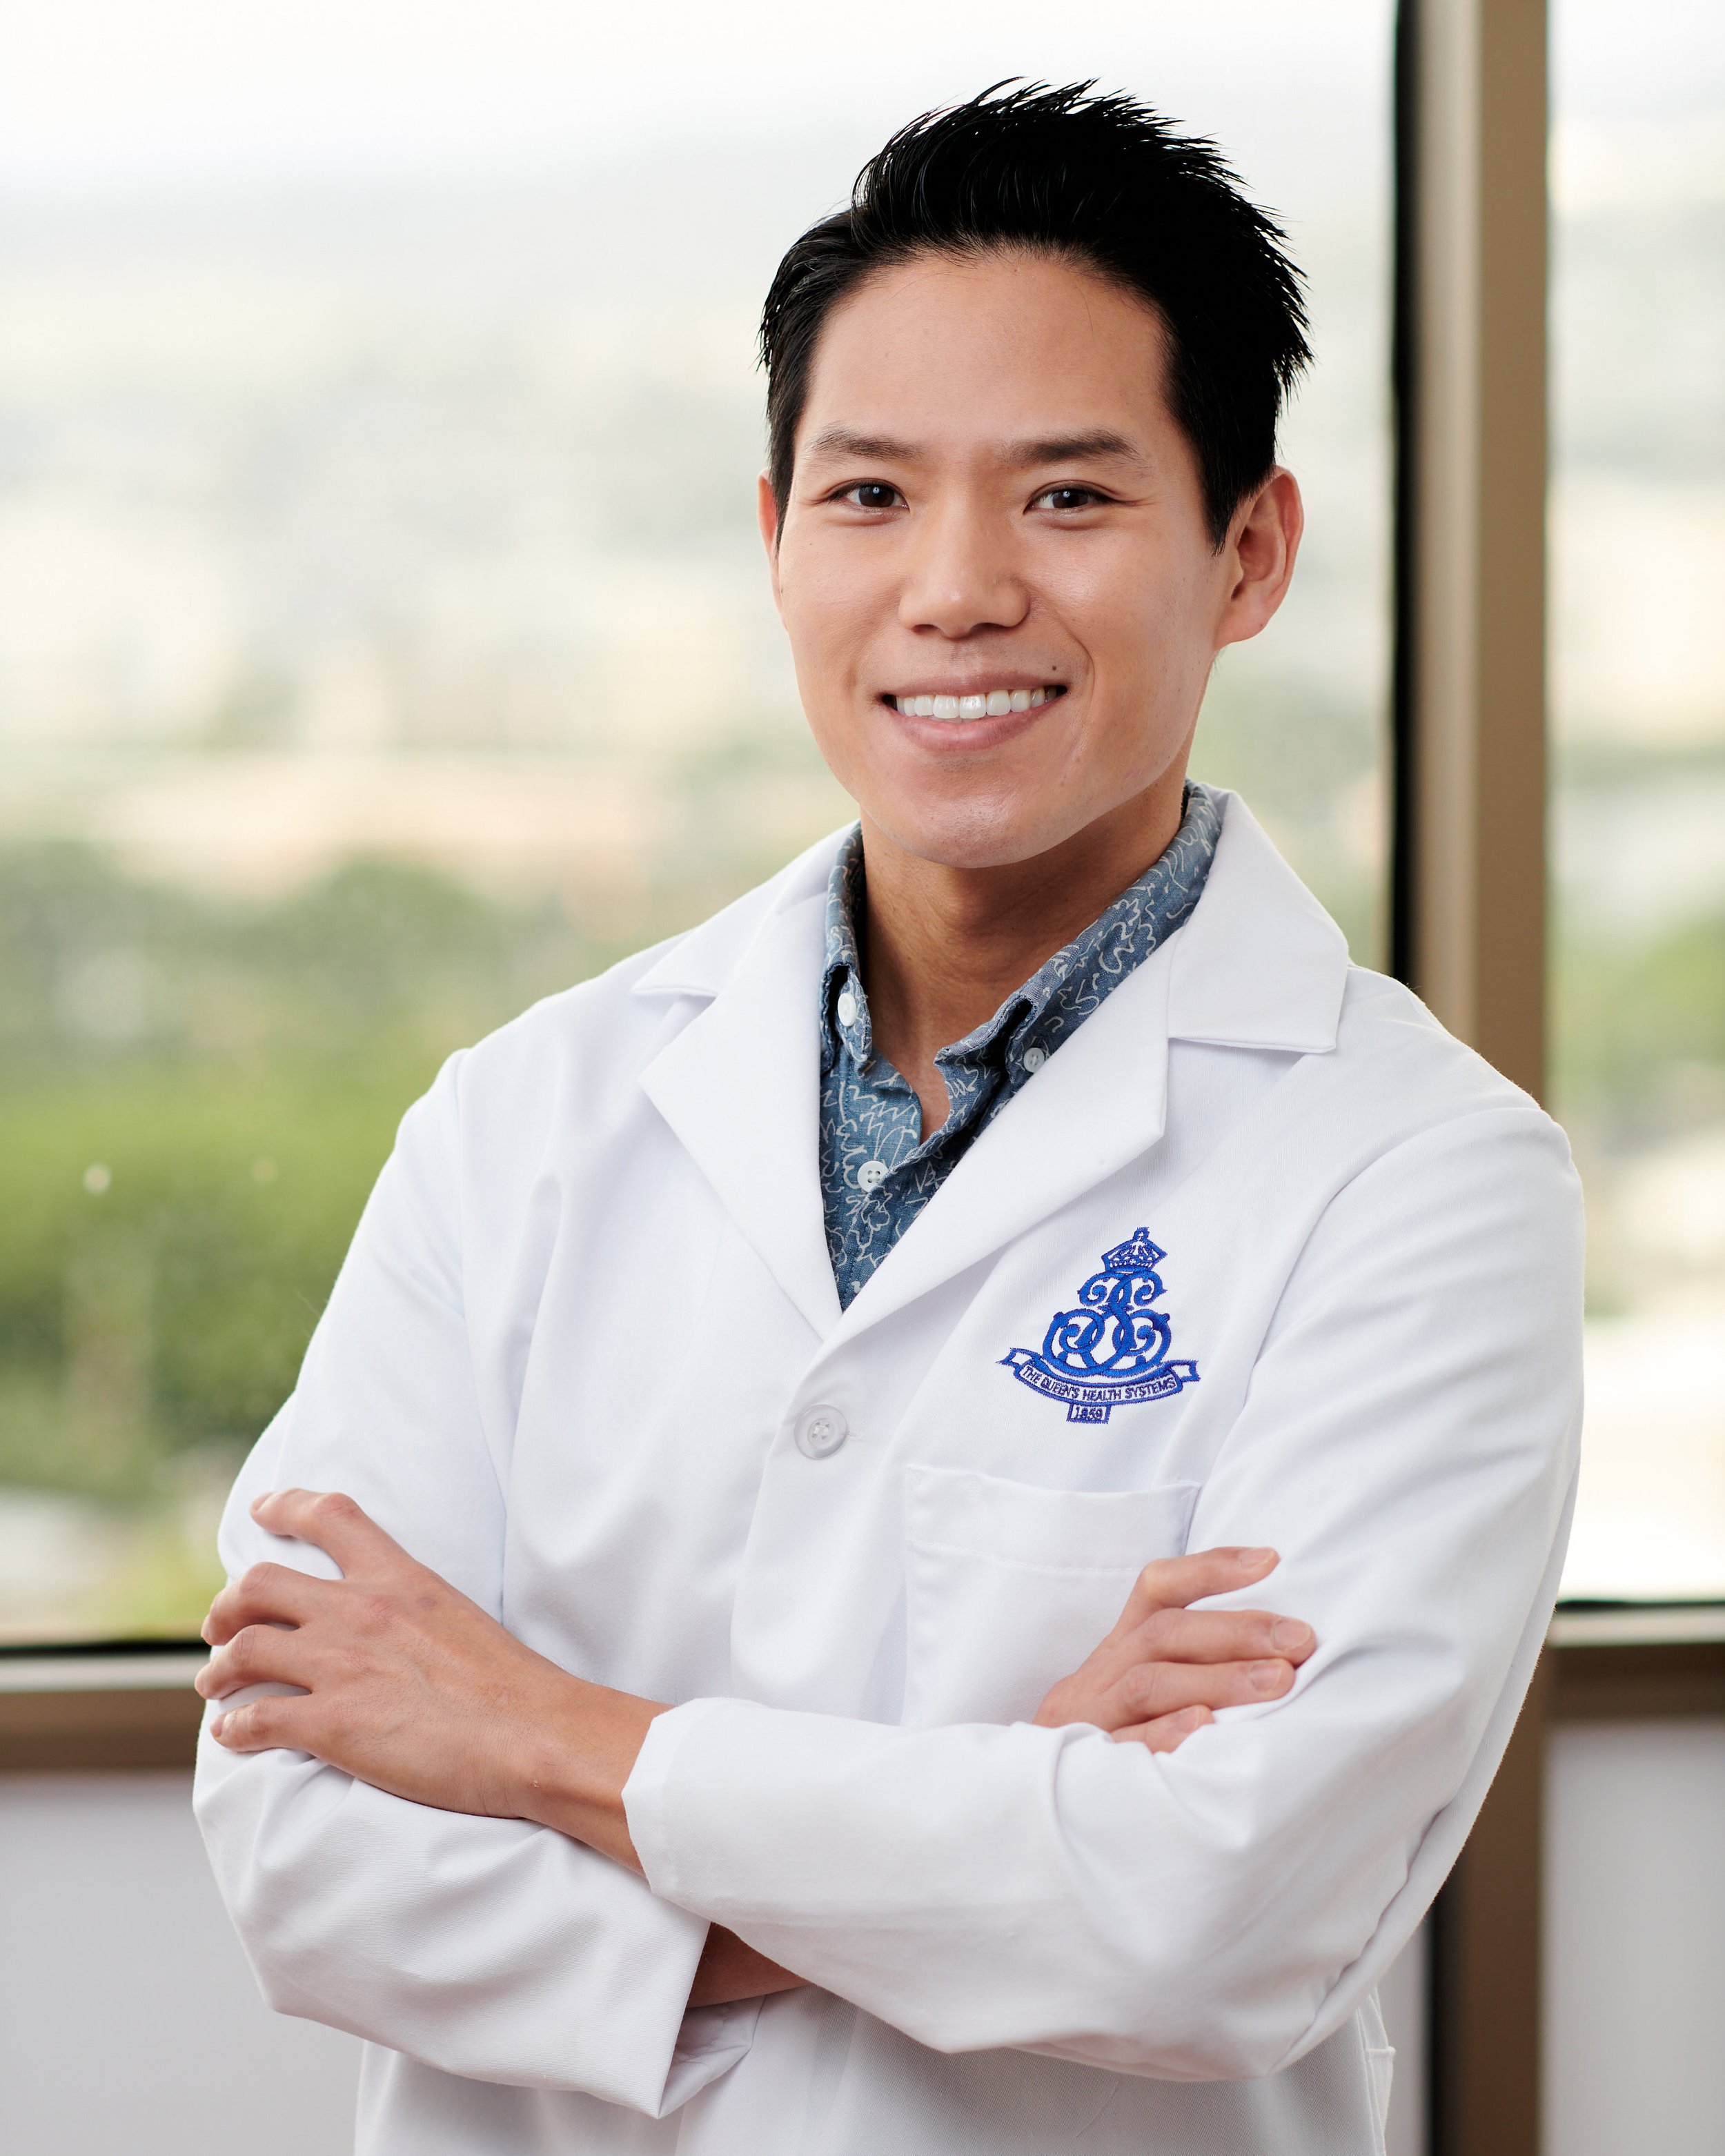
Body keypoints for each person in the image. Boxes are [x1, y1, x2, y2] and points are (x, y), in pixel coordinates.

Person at [193, 83, 1582, 2156]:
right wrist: (983, 1811)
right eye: (866, 498)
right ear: (773, 542)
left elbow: (1213, 1918)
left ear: (1249, 549)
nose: (952, 590)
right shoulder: (528, 1122)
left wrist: (540, 1738)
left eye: (1066, 499)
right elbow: (304, 1843)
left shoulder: (1419, 1180)